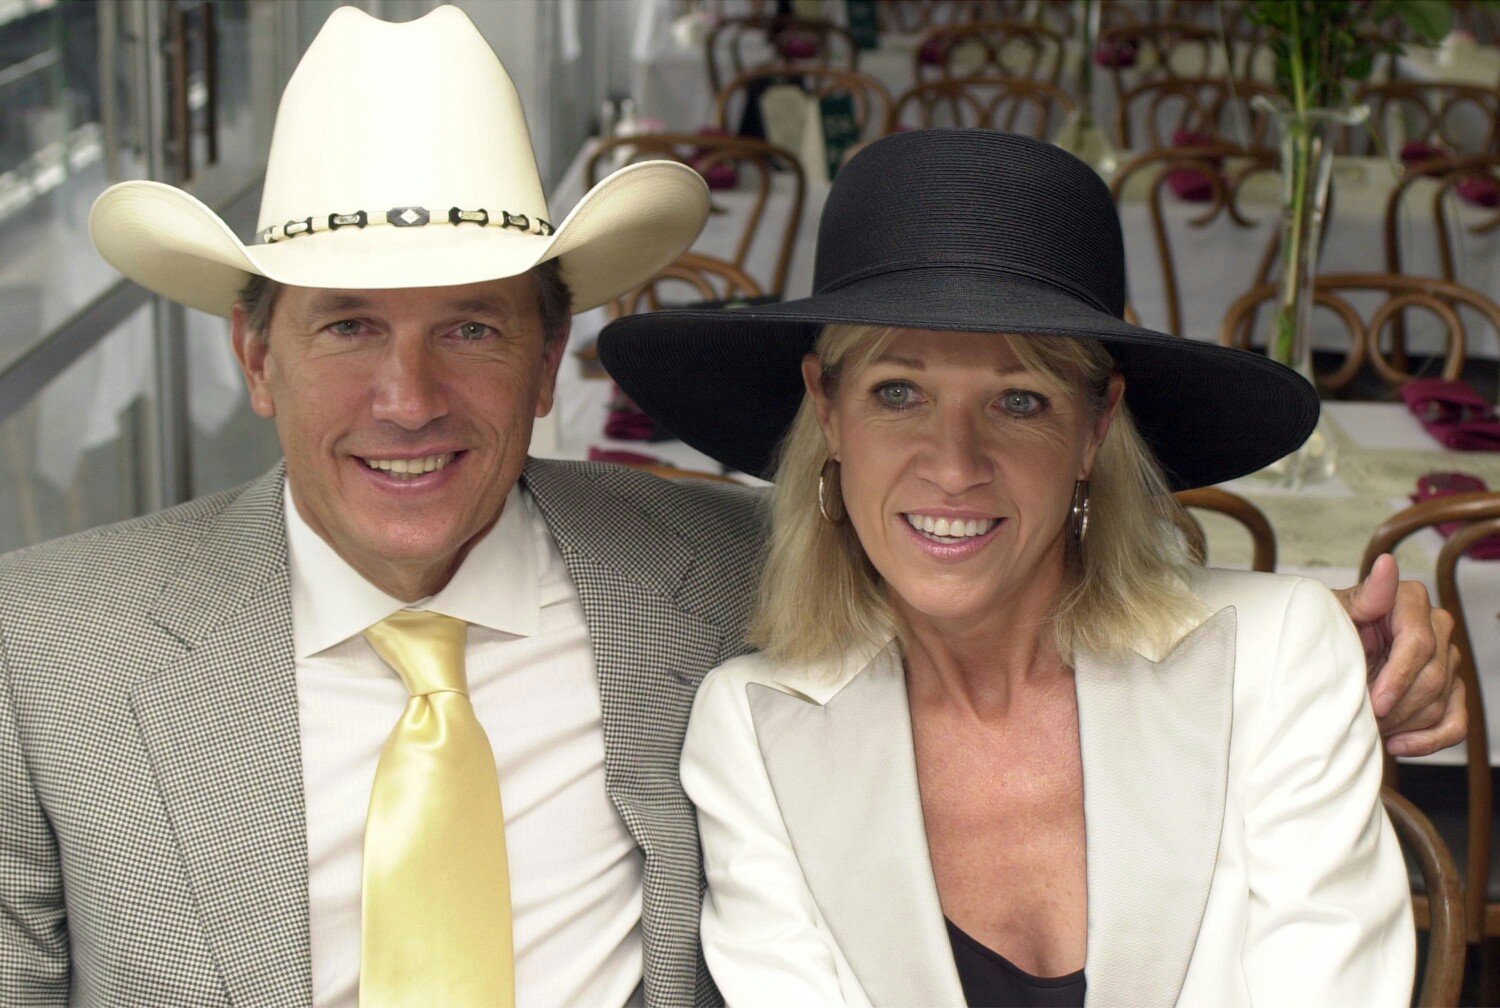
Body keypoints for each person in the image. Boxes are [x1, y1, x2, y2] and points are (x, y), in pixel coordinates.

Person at [0, 7, 1459, 1007]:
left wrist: (1341, 654)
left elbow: (1004, 571)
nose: (408, 398)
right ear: (255, 353)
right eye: (344, 328)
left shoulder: (698, 585)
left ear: (550, 356)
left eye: (473, 326)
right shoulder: (43, 652)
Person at [597, 129, 1420, 1005]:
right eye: (898, 393)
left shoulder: (1278, 658)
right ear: (827, 411)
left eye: (1019, 400)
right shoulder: (756, 729)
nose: (954, 466)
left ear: (1095, 428)